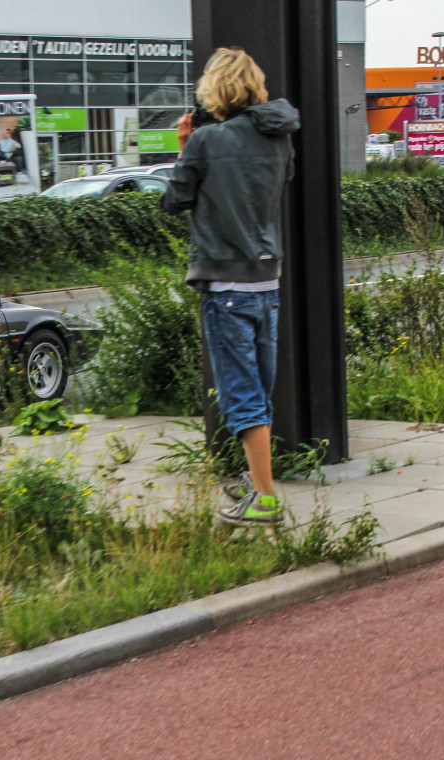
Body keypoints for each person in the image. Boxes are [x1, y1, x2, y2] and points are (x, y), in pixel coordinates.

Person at [161, 46, 300, 525]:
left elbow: (174, 200)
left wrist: (185, 148)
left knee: (242, 394)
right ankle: (255, 480)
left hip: (225, 285)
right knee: (259, 389)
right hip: (267, 281)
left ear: (214, 89)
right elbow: (281, 179)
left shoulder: (206, 142)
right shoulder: (280, 139)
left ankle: (264, 498)